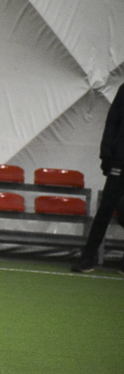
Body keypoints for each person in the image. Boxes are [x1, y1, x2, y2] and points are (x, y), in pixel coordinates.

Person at [72, 82, 124, 274]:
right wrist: (106, 155)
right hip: (120, 160)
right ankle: (87, 258)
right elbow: (112, 122)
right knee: (106, 208)